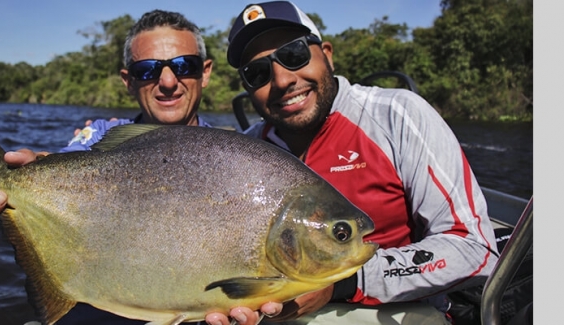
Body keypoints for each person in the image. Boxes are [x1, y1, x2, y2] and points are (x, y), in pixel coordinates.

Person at [206, 1, 499, 324]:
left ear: (327, 54)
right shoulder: (242, 152)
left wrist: (344, 283)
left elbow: (475, 249)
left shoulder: (397, 115)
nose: (282, 80)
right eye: (257, 73)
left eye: (294, 55)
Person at [0, 9, 269, 325]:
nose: (168, 82)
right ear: (128, 81)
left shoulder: (238, 158)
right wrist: (33, 175)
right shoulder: (99, 135)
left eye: (184, 66)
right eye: (147, 70)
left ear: (206, 72)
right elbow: (69, 161)